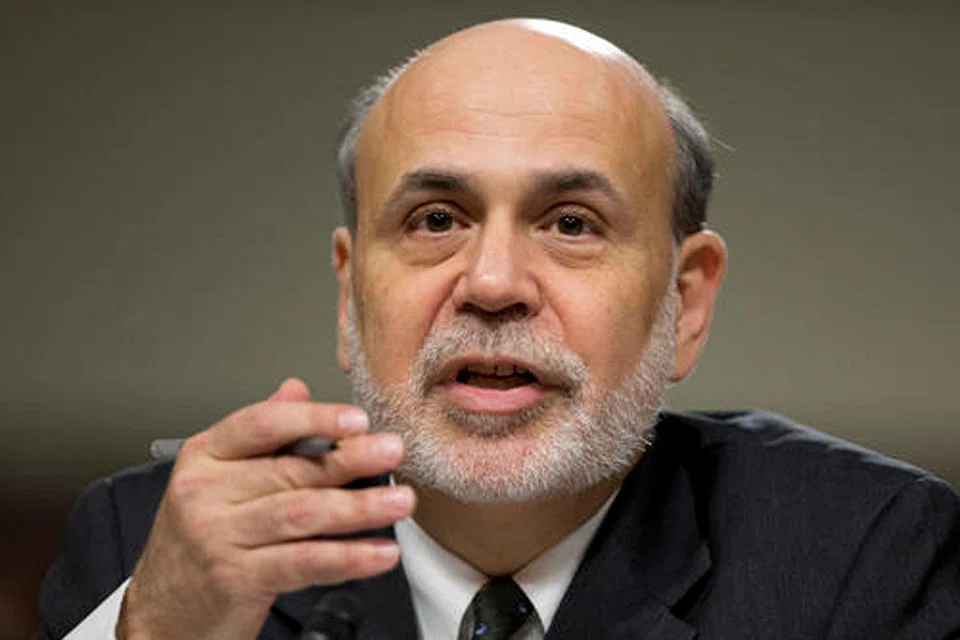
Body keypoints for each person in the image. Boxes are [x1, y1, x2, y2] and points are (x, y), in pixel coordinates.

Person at [37, 18, 960, 640]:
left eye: (571, 224)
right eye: (437, 219)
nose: (492, 284)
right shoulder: (151, 549)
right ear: (351, 294)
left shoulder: (857, 558)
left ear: (686, 304)